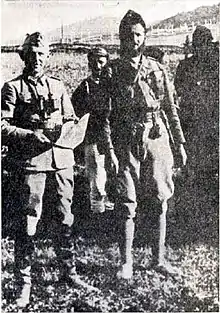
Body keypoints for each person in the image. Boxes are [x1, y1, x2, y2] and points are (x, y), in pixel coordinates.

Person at [101, 10, 187, 279]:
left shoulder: (157, 68)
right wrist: (109, 151)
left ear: (145, 37)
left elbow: (170, 110)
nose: (134, 40)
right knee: (127, 202)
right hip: (126, 137)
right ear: (121, 38)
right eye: (129, 35)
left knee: (160, 198)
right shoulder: (111, 72)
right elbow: (103, 116)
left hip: (156, 136)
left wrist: (179, 144)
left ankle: (158, 259)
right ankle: (126, 262)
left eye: (139, 34)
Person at [1, 32, 84, 308]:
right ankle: (24, 283)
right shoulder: (12, 88)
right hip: (30, 164)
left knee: (64, 217)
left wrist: (72, 128)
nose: (36, 59)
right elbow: (2, 126)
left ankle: (68, 272)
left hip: (61, 160)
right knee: (28, 222)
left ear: (48, 56)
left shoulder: (58, 87)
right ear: (24, 56)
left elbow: (70, 116)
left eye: (41, 54)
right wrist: (27, 136)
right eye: (32, 54)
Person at [71, 47, 115, 213]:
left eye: (101, 61)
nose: (98, 65)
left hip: (112, 137)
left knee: (114, 175)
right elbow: (75, 111)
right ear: (89, 63)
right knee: (96, 178)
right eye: (94, 61)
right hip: (93, 138)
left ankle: (112, 213)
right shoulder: (85, 87)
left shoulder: (112, 85)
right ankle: (97, 215)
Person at [174, 25, 219, 186]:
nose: (200, 48)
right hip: (192, 120)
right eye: (197, 45)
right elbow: (177, 92)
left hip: (214, 120)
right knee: (195, 160)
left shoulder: (216, 64)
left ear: (209, 44)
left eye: (204, 44)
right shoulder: (185, 66)